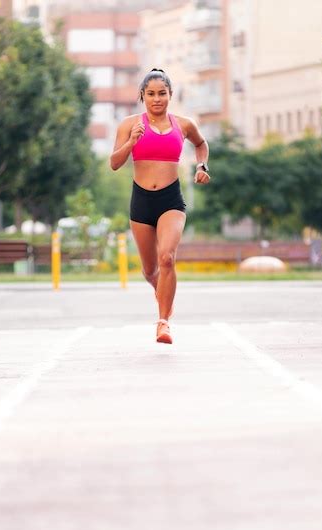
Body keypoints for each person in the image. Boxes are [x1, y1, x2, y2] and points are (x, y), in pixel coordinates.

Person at [110, 68, 210, 344]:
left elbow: (201, 145)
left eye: (162, 93)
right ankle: (163, 295)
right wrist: (132, 141)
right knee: (150, 270)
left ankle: (163, 322)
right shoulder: (129, 124)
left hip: (170, 200)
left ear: (170, 95)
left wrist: (202, 166)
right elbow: (114, 163)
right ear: (142, 96)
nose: (157, 99)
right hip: (141, 200)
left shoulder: (184, 124)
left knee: (168, 257)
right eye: (151, 94)